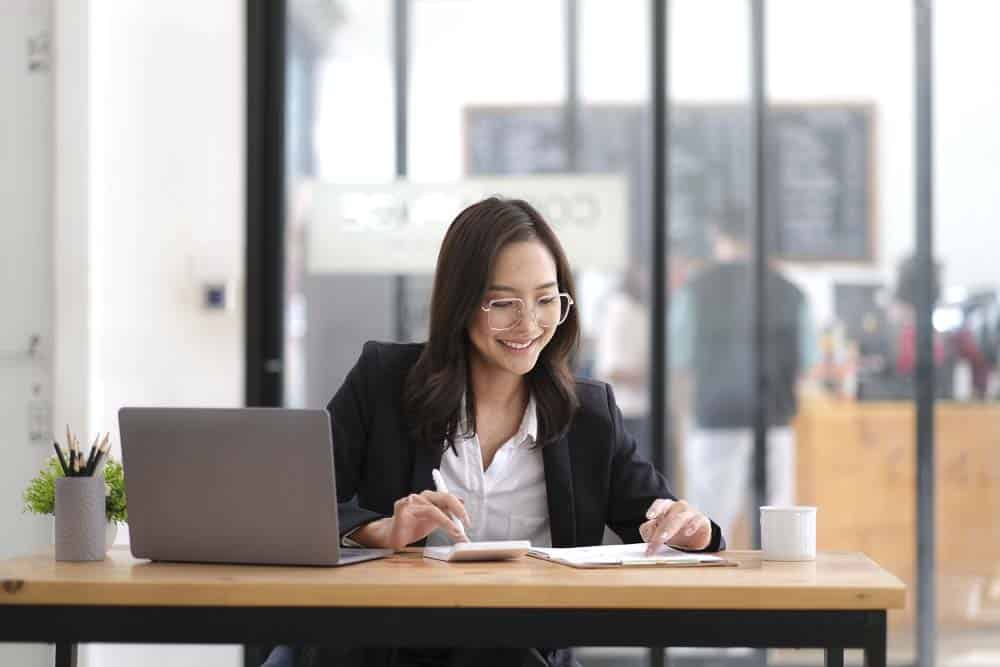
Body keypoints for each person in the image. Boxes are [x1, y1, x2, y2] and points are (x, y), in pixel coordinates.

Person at [288, 197, 724, 667]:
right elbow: (297, 506)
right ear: (461, 302)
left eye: (545, 299)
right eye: (503, 303)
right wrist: (381, 531)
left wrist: (692, 532)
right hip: (393, 651)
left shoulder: (589, 414)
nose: (529, 324)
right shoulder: (383, 381)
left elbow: (661, 518)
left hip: (524, 651)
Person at [670, 206, 818, 544]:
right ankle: (777, 595)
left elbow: (679, 360)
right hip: (774, 419)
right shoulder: (791, 292)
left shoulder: (695, 290)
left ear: (715, 235)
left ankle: (710, 597)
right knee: (778, 530)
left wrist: (688, 415)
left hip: (714, 419)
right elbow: (808, 361)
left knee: (706, 527)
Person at [593, 267, 650, 460]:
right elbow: (611, 370)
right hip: (628, 411)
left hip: (638, 409)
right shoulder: (621, 312)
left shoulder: (636, 310)